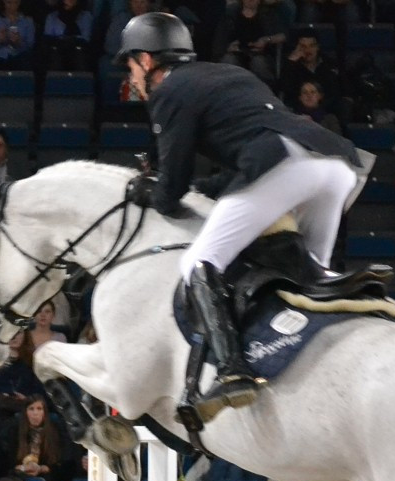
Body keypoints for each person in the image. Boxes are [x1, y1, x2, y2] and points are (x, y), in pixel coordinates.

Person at [117, 12, 373, 421]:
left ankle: (233, 370)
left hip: (285, 167)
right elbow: (246, 148)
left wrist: (151, 190)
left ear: (147, 61)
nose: (130, 77)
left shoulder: (170, 91)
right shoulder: (225, 74)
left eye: (130, 65)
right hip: (335, 166)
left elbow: (172, 187)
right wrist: (206, 188)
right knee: (310, 281)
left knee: (198, 263)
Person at [280, 30, 341, 127]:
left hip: (326, 112)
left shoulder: (329, 65)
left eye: (311, 46)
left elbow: (335, 92)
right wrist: (290, 63)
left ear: (317, 47)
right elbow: (285, 89)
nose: (308, 50)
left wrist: (318, 110)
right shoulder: (291, 67)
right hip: (298, 112)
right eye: (303, 46)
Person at [220, 0, 287, 86]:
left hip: (262, 54)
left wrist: (266, 40)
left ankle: (263, 93)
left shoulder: (269, 14)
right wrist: (228, 47)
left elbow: (283, 35)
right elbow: (221, 38)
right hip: (236, 53)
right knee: (228, 60)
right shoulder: (231, 14)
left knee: (258, 63)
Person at [0, 0, 36, 70]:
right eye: (9, 2)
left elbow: (30, 46)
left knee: (28, 62)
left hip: (20, 57)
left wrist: (18, 43)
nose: (12, 6)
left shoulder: (28, 20)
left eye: (16, 3)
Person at [42, 0, 93, 71]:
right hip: (57, 51)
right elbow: (48, 39)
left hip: (78, 51)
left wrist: (72, 41)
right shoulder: (52, 17)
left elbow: (86, 38)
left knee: (80, 55)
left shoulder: (85, 16)